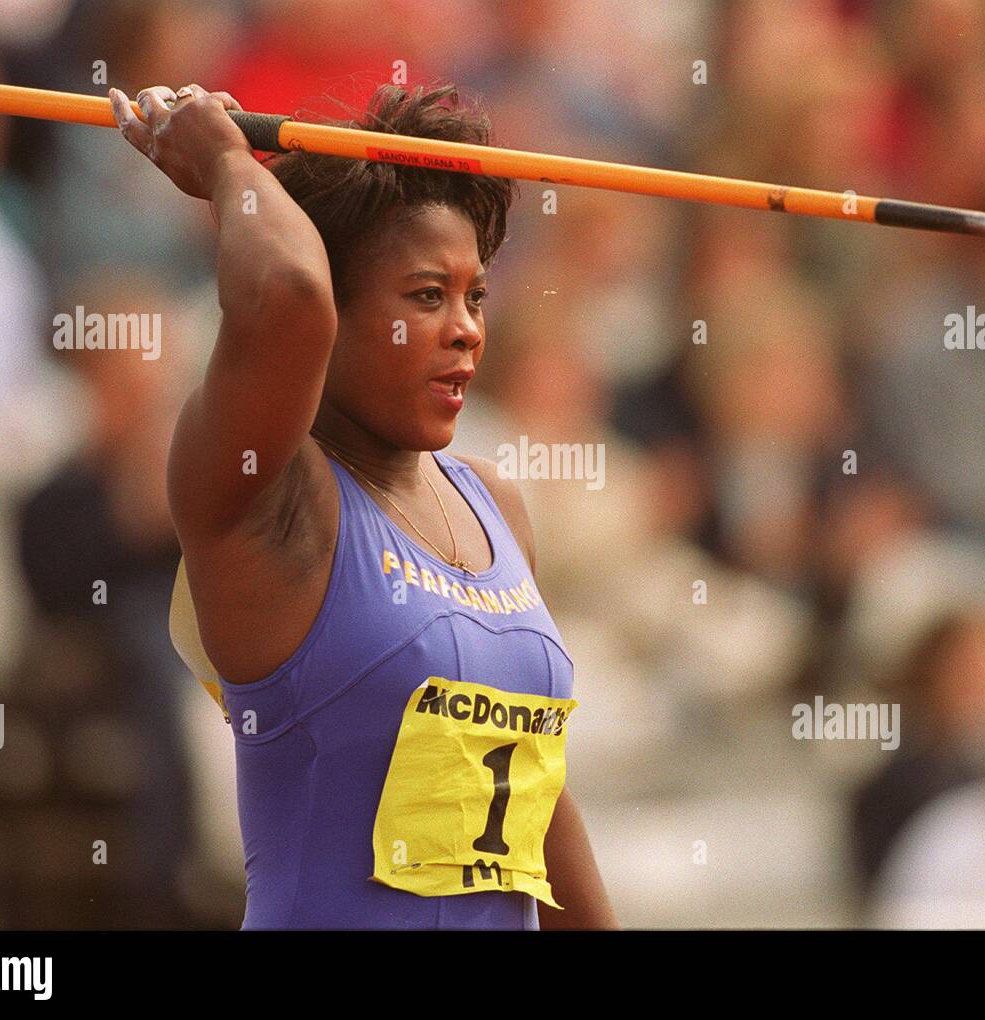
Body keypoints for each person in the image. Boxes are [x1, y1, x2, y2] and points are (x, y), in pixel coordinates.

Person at [108, 79, 617, 929]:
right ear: (336, 321)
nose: (467, 330)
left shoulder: (494, 502)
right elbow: (286, 294)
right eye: (426, 296)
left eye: (475, 296)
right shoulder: (268, 498)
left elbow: (539, 809)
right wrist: (229, 163)